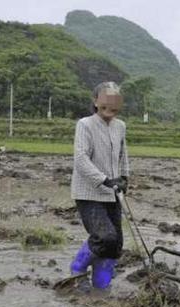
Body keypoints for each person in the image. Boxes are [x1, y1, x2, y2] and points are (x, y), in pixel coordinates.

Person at [69, 81, 129, 291]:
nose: (109, 113)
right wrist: (103, 179)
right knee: (105, 237)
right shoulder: (85, 124)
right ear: (95, 101)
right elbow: (81, 158)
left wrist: (124, 177)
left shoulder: (120, 126)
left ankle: (101, 288)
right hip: (89, 192)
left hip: (112, 193)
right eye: (104, 107)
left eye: (113, 109)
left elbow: (123, 155)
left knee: (116, 244)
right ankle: (78, 268)